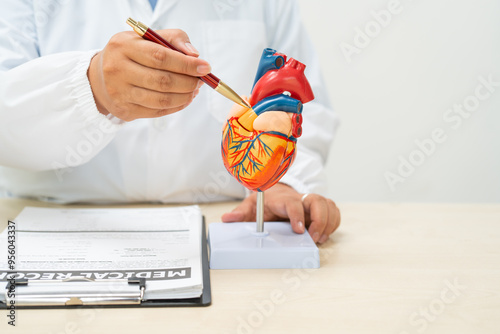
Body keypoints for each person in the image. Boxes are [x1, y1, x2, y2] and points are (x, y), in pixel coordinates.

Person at [0, 0, 340, 243]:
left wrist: (285, 181)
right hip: (46, 228)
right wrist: (93, 88)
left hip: (226, 224)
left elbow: (303, 104)